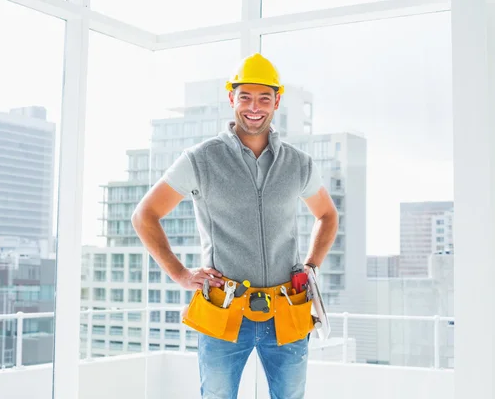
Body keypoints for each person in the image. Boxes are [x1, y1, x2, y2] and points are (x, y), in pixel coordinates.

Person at [131, 53, 339, 399]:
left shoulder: (298, 164)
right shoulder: (201, 159)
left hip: (288, 309)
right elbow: (144, 215)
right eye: (245, 97)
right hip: (223, 310)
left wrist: (312, 266)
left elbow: (328, 215)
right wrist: (181, 274)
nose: (253, 107)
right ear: (231, 99)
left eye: (263, 98)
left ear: (277, 101)